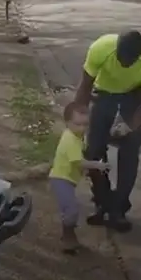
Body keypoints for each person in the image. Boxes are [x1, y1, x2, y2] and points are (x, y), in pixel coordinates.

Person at [71, 30, 141, 233]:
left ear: (139, 55)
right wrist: (77, 125)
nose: (124, 64)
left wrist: (131, 126)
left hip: (133, 96)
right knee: (93, 150)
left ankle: (119, 208)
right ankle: (102, 202)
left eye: (129, 61)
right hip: (103, 94)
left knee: (129, 152)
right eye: (121, 58)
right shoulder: (100, 48)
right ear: (116, 50)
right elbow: (85, 87)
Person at [49, 102, 112, 253]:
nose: (82, 128)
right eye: (78, 124)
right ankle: (68, 239)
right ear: (67, 122)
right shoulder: (70, 140)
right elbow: (79, 162)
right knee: (71, 210)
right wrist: (98, 165)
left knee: (70, 209)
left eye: (85, 124)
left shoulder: (76, 135)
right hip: (61, 179)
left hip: (68, 179)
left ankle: (69, 235)